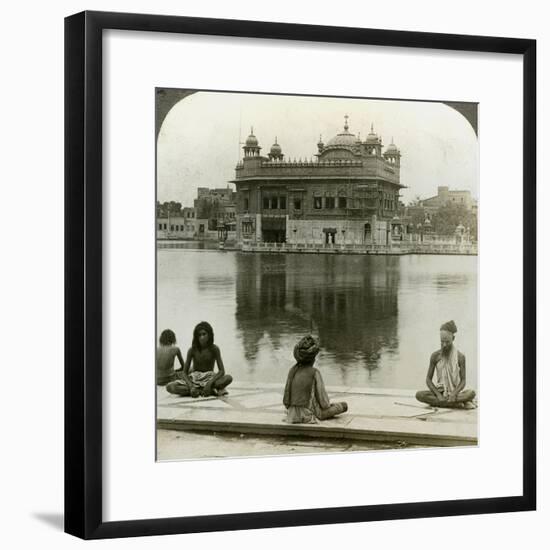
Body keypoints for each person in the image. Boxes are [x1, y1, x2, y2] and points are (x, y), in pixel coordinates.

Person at [283, 335, 348, 423]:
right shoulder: (314, 372)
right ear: (312, 359)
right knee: (343, 406)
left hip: (292, 414)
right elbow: (324, 404)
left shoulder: (292, 370)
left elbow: (286, 401)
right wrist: (329, 406)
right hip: (310, 414)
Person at [415, 320, 476, 409]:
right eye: (442, 341)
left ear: (453, 338)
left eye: (447, 342)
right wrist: (438, 395)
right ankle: (455, 404)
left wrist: (454, 394)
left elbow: (463, 381)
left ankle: (442, 403)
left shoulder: (460, 357)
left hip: (455, 392)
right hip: (440, 391)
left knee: (471, 393)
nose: (444, 345)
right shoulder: (435, 356)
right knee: (419, 395)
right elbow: (428, 379)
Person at [165, 321, 233, 397]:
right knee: (170, 387)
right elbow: (184, 372)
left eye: (204, 334)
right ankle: (204, 391)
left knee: (228, 378)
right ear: (196, 337)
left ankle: (205, 389)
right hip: (194, 378)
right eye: (199, 335)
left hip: (209, 377)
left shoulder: (214, 349)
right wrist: (191, 386)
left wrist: (209, 383)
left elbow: (221, 371)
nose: (202, 337)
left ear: (209, 335)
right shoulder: (192, 350)